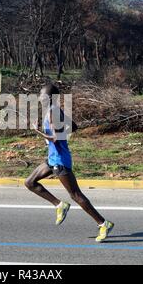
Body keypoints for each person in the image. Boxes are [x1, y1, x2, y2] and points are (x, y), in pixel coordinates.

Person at [25, 83, 115, 243]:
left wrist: (37, 131)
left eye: (41, 94)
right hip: (53, 157)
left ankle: (103, 223)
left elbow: (54, 138)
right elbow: (74, 127)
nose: (39, 97)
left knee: (75, 195)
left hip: (60, 160)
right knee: (30, 182)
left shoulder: (52, 113)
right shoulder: (54, 111)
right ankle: (59, 205)